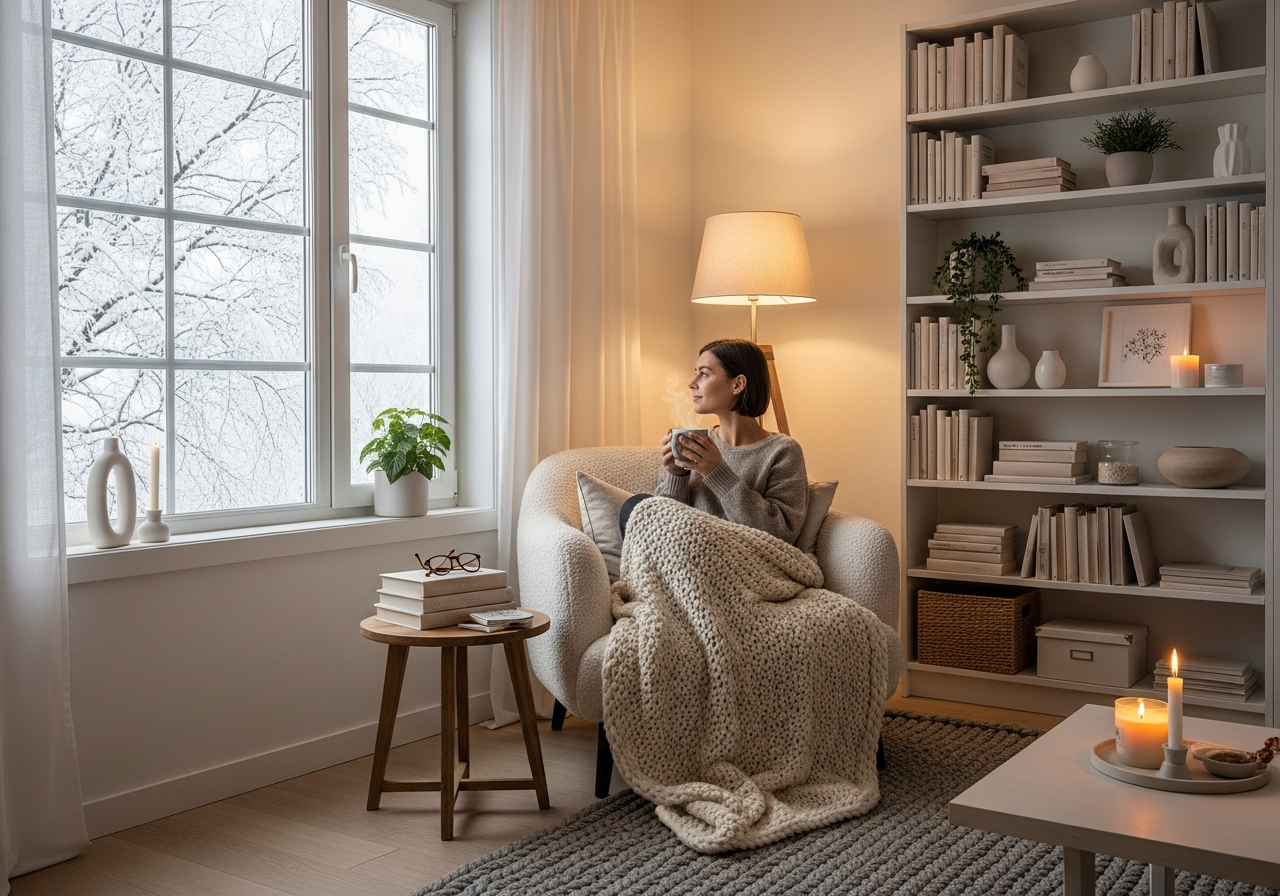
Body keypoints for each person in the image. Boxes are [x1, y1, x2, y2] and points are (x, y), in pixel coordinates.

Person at [619, 338, 809, 544]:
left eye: (704, 373)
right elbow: (666, 526)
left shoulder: (783, 451)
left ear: (738, 384)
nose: (692, 384)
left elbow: (781, 532)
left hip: (743, 559)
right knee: (636, 507)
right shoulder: (698, 445)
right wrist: (677, 475)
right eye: (695, 373)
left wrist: (716, 471)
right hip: (687, 554)